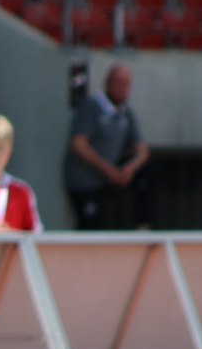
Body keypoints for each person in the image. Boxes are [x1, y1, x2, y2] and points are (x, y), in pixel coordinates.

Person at [65, 62, 153, 230]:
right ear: (107, 82)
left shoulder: (125, 112)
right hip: (86, 182)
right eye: (117, 82)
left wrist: (131, 167)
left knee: (148, 173)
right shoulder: (92, 106)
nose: (121, 87)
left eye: (126, 83)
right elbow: (78, 143)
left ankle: (144, 227)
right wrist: (107, 169)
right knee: (91, 227)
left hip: (109, 182)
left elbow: (142, 149)